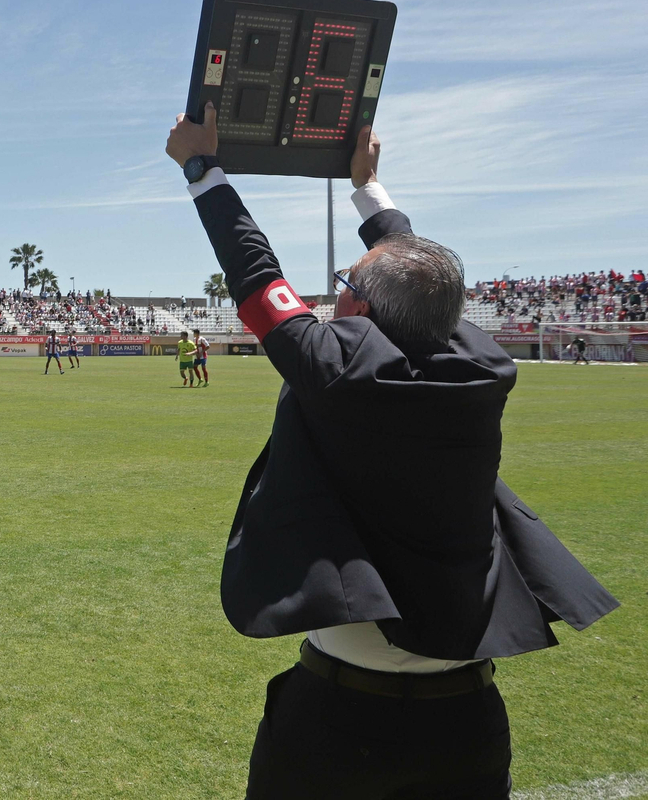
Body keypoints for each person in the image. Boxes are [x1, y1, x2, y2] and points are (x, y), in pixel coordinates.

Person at [167, 105, 617, 797]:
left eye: (345, 286)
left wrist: (203, 169)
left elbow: (260, 283)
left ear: (361, 313)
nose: (336, 295)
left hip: (345, 724)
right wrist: (371, 191)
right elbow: (421, 291)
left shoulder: (340, 370)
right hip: (468, 718)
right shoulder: (483, 366)